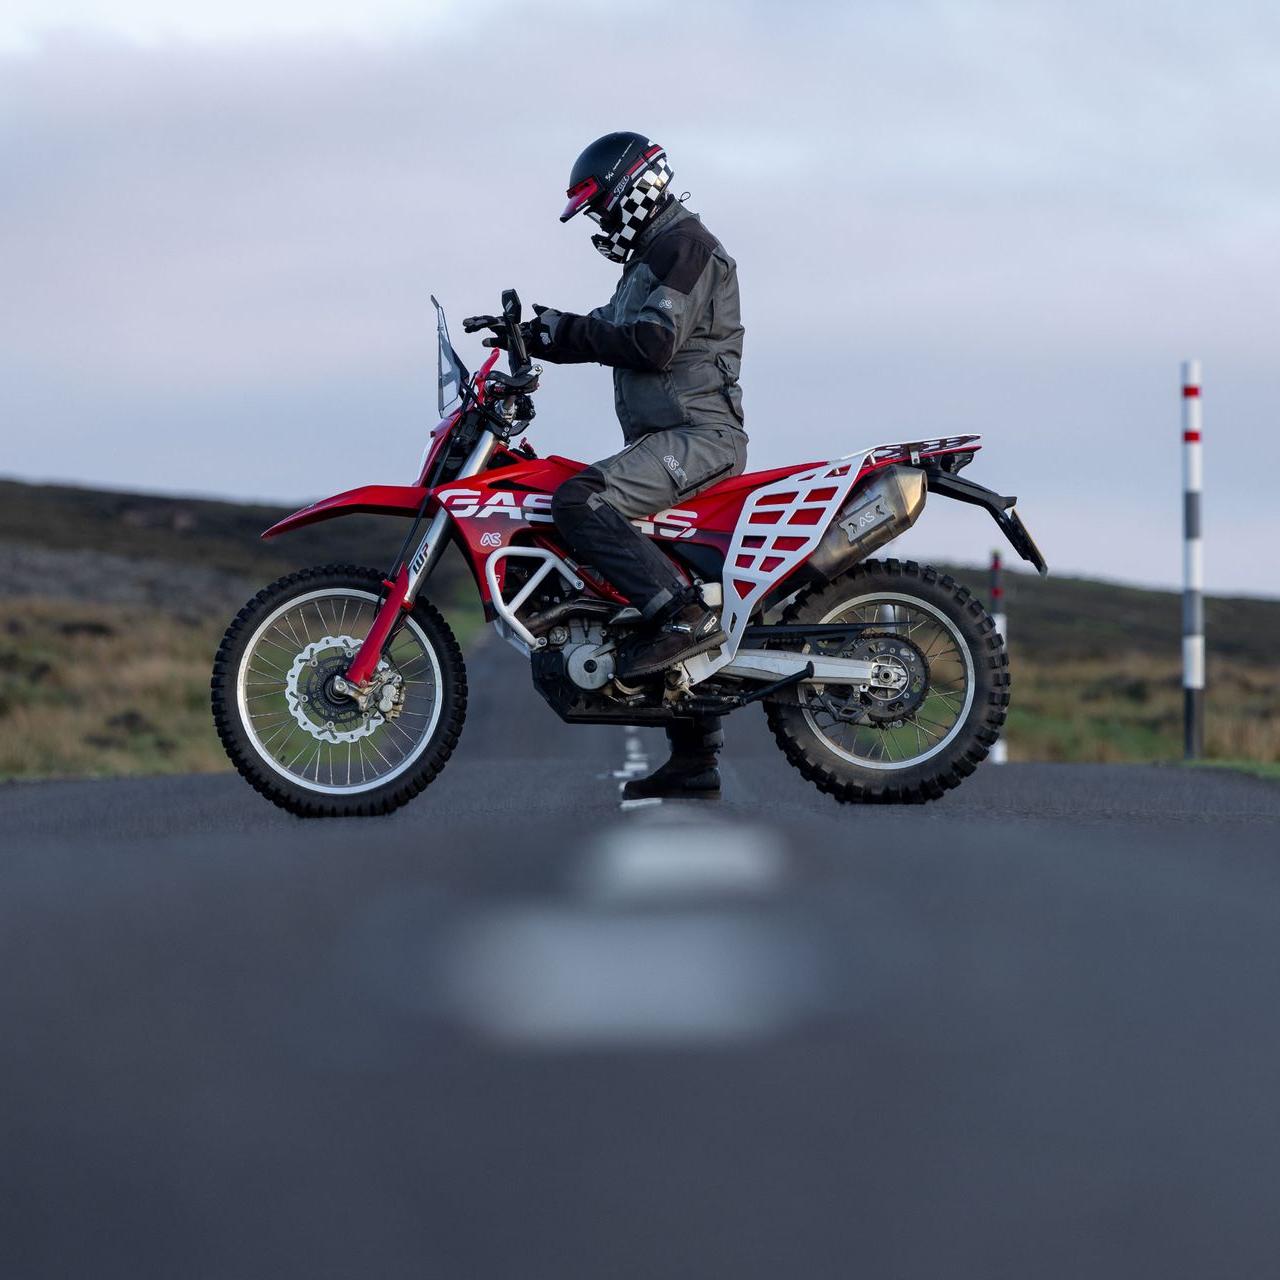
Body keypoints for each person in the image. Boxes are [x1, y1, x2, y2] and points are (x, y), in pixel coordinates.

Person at [485, 131, 747, 800]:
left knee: (580, 501)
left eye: (601, 207)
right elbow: (607, 327)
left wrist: (563, 333)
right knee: (663, 563)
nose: (599, 222)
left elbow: (651, 344)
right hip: (667, 438)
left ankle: (682, 618)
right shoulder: (650, 258)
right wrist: (533, 333)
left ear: (635, 190)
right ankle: (694, 760)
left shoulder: (683, 247)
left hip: (697, 438)